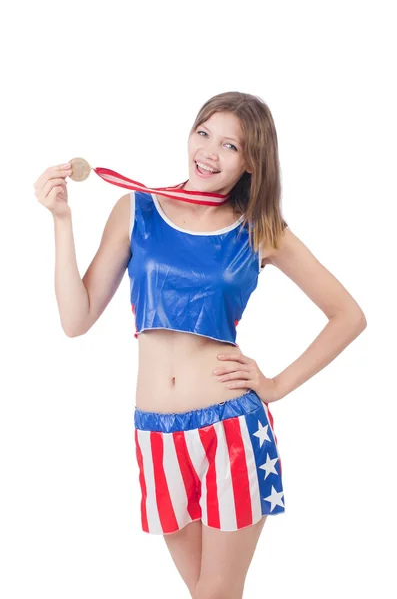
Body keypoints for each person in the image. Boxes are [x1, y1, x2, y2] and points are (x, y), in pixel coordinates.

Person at [33, 91, 366, 599]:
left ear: (251, 161)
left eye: (230, 145)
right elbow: (75, 319)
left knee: (215, 595)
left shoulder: (260, 230)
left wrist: (275, 385)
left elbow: (348, 316)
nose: (209, 151)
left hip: (230, 431)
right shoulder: (137, 209)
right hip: (156, 434)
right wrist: (61, 221)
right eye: (204, 132)